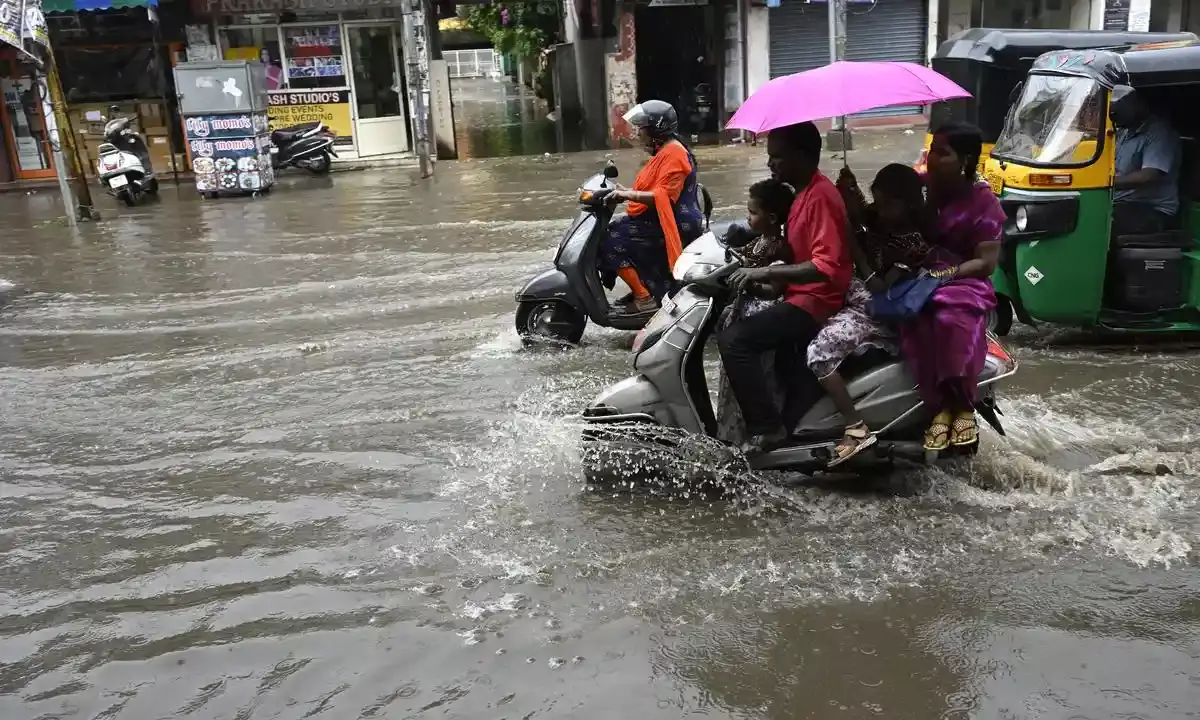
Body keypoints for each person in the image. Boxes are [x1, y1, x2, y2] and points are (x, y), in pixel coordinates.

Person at [717, 121, 854, 454]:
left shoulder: (820, 197)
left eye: (777, 157)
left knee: (735, 341)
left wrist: (761, 271)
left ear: (802, 156)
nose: (770, 164)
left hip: (817, 302)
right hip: (800, 296)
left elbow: (824, 266)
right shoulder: (801, 195)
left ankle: (766, 429)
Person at [811, 163, 933, 467]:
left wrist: (856, 251)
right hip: (848, 295)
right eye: (875, 201)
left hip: (874, 309)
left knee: (818, 353)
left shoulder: (915, 243)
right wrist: (850, 193)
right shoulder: (880, 219)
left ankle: (855, 428)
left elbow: (880, 286)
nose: (877, 209)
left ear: (905, 204)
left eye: (884, 204)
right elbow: (858, 216)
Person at [904, 121, 1004, 451]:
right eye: (932, 151)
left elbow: (986, 262)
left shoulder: (983, 202)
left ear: (964, 160)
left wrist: (946, 274)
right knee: (911, 313)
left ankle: (959, 405)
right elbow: (884, 210)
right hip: (918, 274)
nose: (932, 159)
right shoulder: (918, 189)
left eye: (942, 153)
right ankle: (936, 407)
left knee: (947, 314)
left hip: (963, 278)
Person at [599, 100, 705, 313]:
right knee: (610, 229)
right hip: (659, 216)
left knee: (610, 241)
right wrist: (624, 190)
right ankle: (646, 287)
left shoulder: (674, 153)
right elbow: (657, 187)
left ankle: (644, 297)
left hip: (677, 222)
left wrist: (628, 194)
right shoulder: (666, 149)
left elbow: (664, 196)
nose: (638, 132)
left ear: (656, 129)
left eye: (642, 127)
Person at [715, 179, 796, 446]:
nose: (748, 218)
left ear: (771, 217)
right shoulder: (759, 240)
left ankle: (759, 433)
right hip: (743, 309)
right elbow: (740, 256)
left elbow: (773, 290)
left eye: (753, 213)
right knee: (732, 376)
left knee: (758, 375)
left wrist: (750, 283)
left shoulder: (781, 248)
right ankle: (732, 435)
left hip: (760, 313)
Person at [1110, 86, 1182, 235]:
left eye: (1121, 103)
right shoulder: (1123, 131)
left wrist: (1107, 182)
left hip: (1152, 209)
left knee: (1095, 221)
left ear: (1140, 103)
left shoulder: (1159, 133)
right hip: (1122, 204)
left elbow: (1149, 175)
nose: (1114, 109)